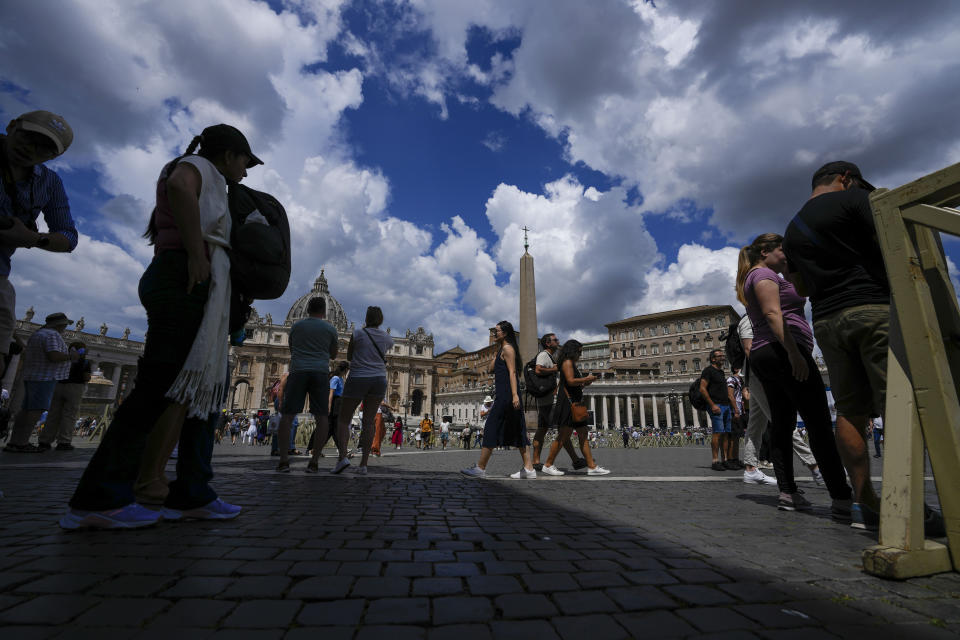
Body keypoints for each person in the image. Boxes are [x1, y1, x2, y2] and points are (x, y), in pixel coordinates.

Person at [61, 124, 261, 529]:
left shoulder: (208, 174)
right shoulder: (196, 166)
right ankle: (99, 497)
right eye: (245, 161)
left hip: (188, 281)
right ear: (227, 155)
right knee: (158, 387)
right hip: (182, 279)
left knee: (186, 388)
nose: (246, 170)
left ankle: (174, 491)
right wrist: (195, 253)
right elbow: (180, 188)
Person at [782, 160, 927, 531]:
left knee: (849, 410)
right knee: (898, 401)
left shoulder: (791, 231)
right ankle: (909, 507)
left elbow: (800, 288)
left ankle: (865, 502)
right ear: (846, 178)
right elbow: (891, 239)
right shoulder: (858, 199)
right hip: (872, 307)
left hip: (828, 320)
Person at [736, 233, 852, 515]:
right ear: (765, 251)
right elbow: (774, 314)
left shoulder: (765, 274)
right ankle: (841, 496)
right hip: (781, 350)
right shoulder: (762, 275)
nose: (787, 256)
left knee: (783, 424)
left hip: (769, 354)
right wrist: (794, 353)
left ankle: (788, 492)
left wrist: (787, 269)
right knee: (819, 423)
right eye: (782, 251)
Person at [0, 111, 79, 381]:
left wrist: (33, 238)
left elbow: (69, 237)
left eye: (44, 147)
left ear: (53, 156)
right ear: (11, 126)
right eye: (27, 137)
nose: (30, 149)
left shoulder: (49, 182)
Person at [461, 321, 535, 478]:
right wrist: (497, 351)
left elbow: (512, 373)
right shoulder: (503, 349)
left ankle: (480, 468)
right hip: (505, 395)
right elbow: (490, 369)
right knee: (518, 429)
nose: (494, 334)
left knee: (490, 428)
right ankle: (529, 469)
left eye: (497, 332)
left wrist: (515, 395)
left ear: (505, 333)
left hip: (506, 396)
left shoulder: (508, 349)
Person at [327, 306, 393, 475]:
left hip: (358, 377)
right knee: (369, 422)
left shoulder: (357, 334)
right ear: (381, 319)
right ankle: (363, 464)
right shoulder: (387, 337)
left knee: (343, 419)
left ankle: (342, 458)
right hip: (378, 379)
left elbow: (349, 357)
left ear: (366, 318)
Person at [277, 296, 338, 473]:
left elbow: (292, 349)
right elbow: (333, 355)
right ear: (325, 311)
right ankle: (314, 461)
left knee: (287, 416)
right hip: (320, 372)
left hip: (298, 371)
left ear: (307, 309)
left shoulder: (296, 327)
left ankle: (283, 460)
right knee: (322, 417)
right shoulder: (330, 329)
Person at [5, 312, 79, 452]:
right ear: (60, 324)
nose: (65, 327)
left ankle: (14, 442)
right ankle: (22, 443)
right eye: (65, 324)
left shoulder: (37, 334)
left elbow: (26, 352)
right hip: (44, 377)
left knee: (25, 410)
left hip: (32, 375)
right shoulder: (52, 335)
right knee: (35, 411)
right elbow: (53, 356)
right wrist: (72, 356)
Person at [539, 340, 610, 476]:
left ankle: (592, 466)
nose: (580, 354)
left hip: (575, 403)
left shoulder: (571, 364)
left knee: (583, 435)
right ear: (573, 350)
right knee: (563, 436)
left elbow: (573, 384)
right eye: (579, 351)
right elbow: (571, 381)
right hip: (568, 404)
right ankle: (548, 464)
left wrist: (585, 382)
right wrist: (586, 378)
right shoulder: (567, 362)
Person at [530, 333, 586, 472]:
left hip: (549, 398)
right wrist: (555, 368)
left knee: (558, 430)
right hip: (548, 399)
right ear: (548, 343)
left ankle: (574, 460)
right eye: (555, 340)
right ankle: (539, 461)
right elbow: (538, 369)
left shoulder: (551, 357)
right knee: (554, 430)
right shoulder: (543, 355)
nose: (558, 341)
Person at [38, 340, 91, 451]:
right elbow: (86, 377)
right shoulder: (84, 362)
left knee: (53, 414)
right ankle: (64, 441)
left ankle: (45, 441)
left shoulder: (63, 359)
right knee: (70, 415)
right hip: (75, 387)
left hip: (59, 386)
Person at [699, 350, 732, 471]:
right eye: (720, 356)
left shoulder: (721, 372)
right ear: (713, 359)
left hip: (726, 405)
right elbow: (702, 389)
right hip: (716, 405)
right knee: (717, 433)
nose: (723, 358)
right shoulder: (708, 371)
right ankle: (715, 460)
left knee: (726, 433)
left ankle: (725, 460)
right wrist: (712, 404)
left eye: (723, 356)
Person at [725, 367, 746, 469]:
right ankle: (730, 460)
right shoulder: (731, 380)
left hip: (739, 411)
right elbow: (730, 395)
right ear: (737, 369)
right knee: (732, 437)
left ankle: (736, 459)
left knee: (736, 437)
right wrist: (736, 409)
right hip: (733, 411)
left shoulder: (740, 381)